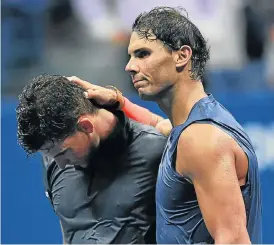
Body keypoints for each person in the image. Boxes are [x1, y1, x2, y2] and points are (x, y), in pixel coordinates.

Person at [70, 6, 262, 244]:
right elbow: (159, 124)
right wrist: (120, 101)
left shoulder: (201, 140)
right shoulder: (192, 127)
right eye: (131, 56)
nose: (130, 66)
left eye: (142, 54)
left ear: (182, 56)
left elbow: (233, 240)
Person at [16, 74, 168, 244]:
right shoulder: (53, 160)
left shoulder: (157, 150)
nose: (61, 164)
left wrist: (120, 100)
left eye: (63, 153)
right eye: (49, 155)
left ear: (86, 126)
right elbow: (70, 230)